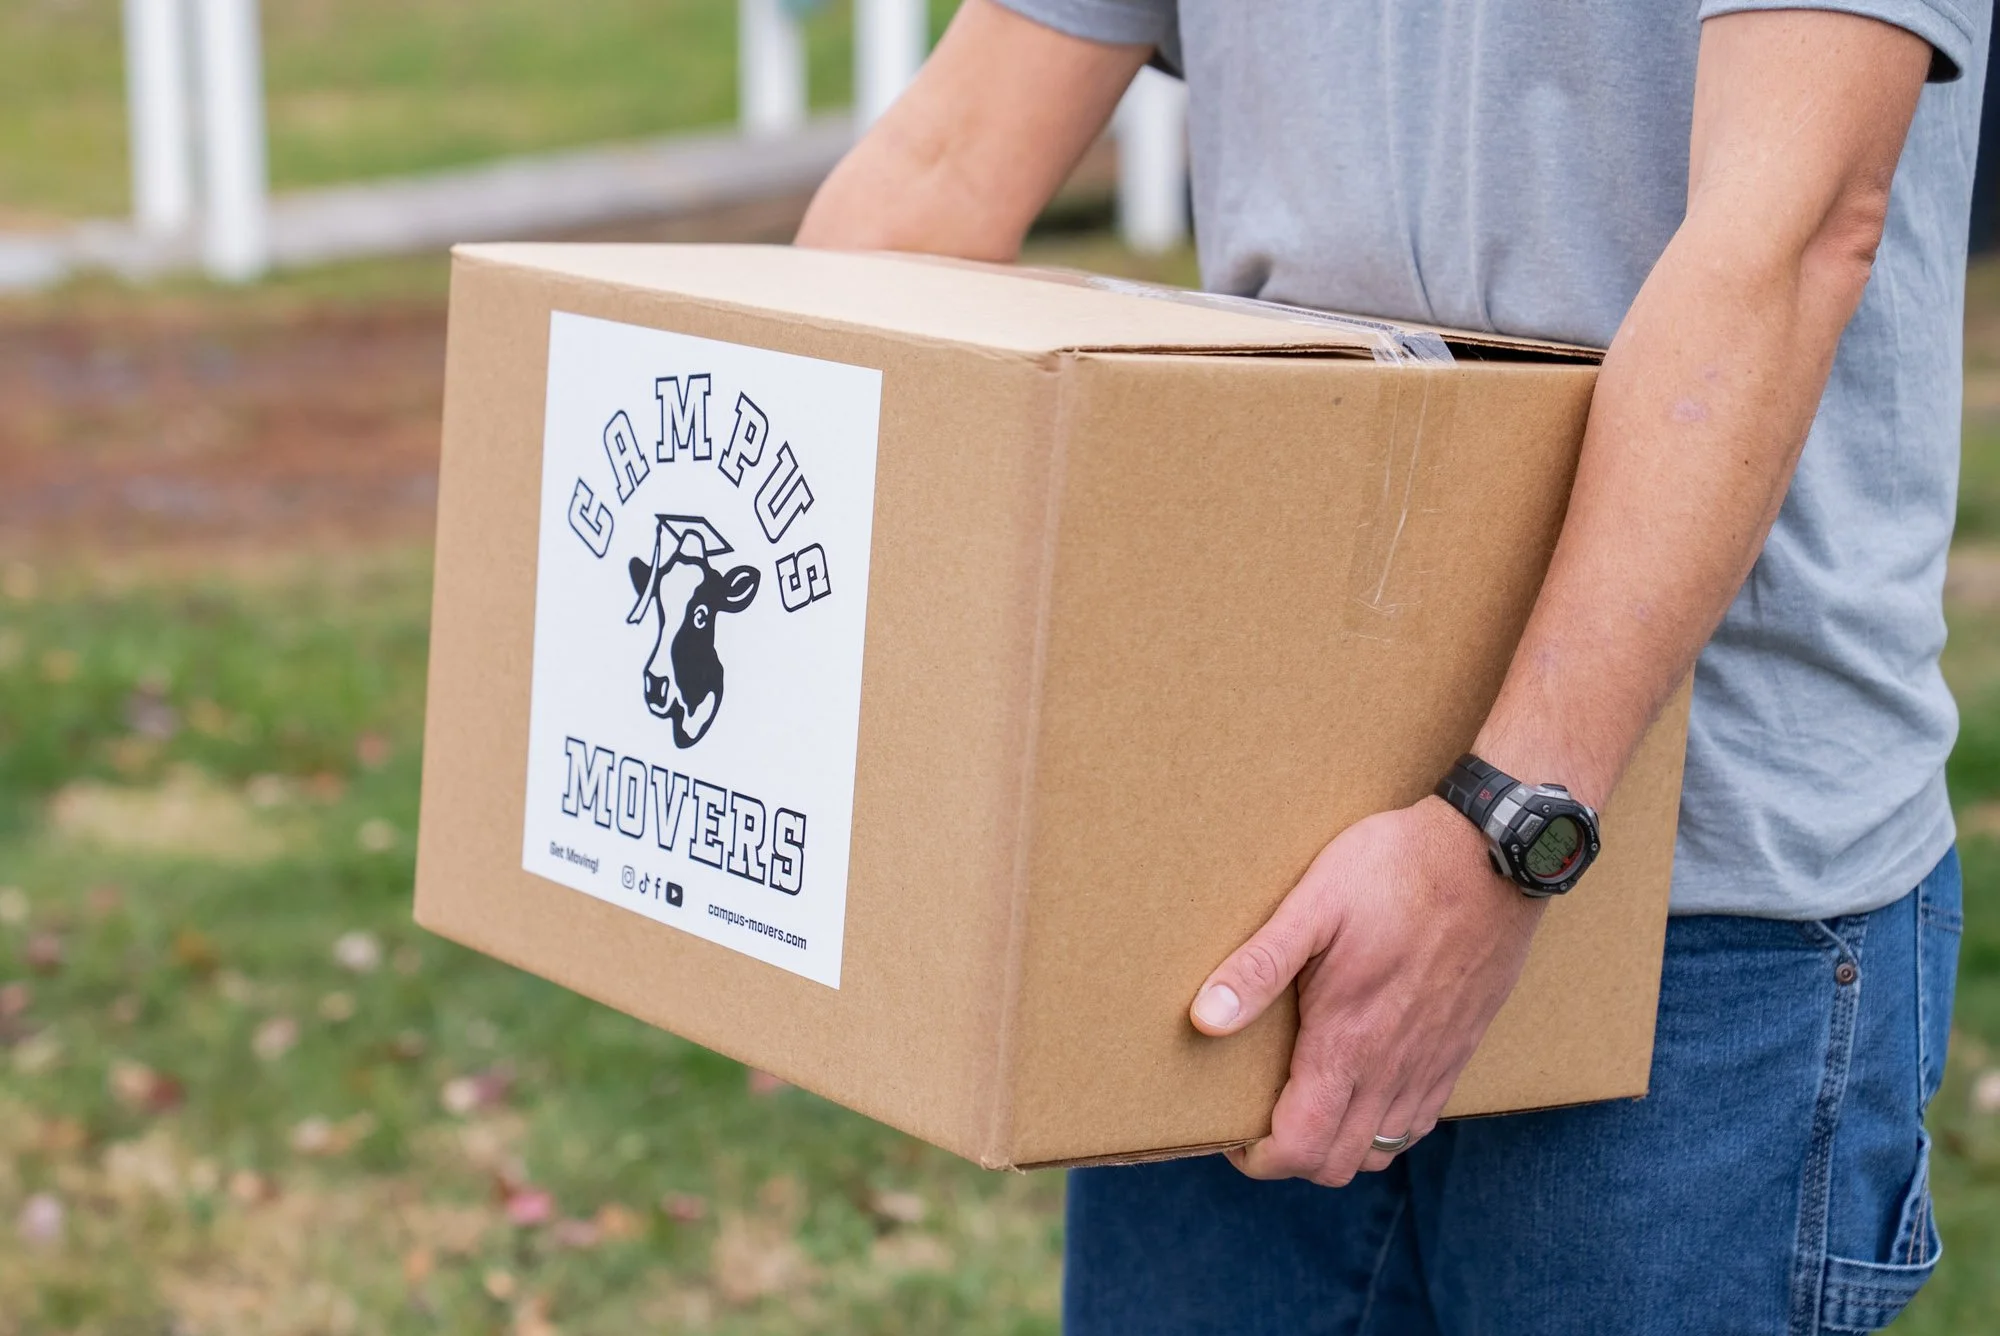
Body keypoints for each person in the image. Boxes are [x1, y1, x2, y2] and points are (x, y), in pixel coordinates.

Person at [797, 1, 1984, 1331]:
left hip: (1688, 900)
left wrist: (1507, 829)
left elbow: (1799, 220)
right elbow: (942, 171)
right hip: (1241, 846)